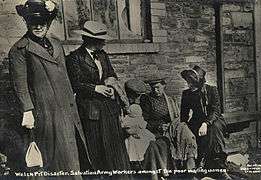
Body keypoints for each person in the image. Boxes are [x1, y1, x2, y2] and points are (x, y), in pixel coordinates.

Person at [9, 0, 89, 179]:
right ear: (27, 23)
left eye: (42, 22)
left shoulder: (56, 44)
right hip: (44, 111)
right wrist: (27, 110)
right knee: (53, 157)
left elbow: (65, 74)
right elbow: (20, 84)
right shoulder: (20, 50)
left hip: (67, 108)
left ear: (48, 23)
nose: (38, 26)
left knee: (72, 153)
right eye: (33, 23)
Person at [65, 21, 131, 178]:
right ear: (90, 40)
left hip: (108, 109)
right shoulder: (75, 58)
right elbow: (75, 84)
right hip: (91, 111)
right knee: (96, 150)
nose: (104, 42)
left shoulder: (103, 55)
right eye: (102, 39)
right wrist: (96, 88)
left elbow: (111, 74)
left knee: (114, 149)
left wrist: (110, 85)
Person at [180, 65, 232, 180]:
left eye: (192, 82)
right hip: (196, 121)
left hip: (213, 120)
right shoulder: (186, 94)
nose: (189, 85)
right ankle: (198, 166)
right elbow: (183, 115)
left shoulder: (211, 90)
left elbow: (216, 110)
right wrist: (183, 127)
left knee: (214, 131)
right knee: (192, 134)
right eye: (188, 82)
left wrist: (206, 123)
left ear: (199, 82)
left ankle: (220, 168)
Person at [140, 75, 198, 176]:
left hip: (171, 126)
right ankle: (187, 166)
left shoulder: (169, 100)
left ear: (163, 86)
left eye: (158, 87)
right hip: (158, 130)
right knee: (181, 129)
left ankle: (190, 163)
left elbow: (176, 116)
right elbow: (144, 121)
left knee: (184, 129)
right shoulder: (147, 100)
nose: (155, 90)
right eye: (153, 88)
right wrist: (158, 126)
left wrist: (174, 123)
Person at [122, 80, 155, 163]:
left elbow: (146, 119)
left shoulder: (144, 102)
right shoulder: (123, 103)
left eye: (139, 96)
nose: (138, 98)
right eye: (136, 96)